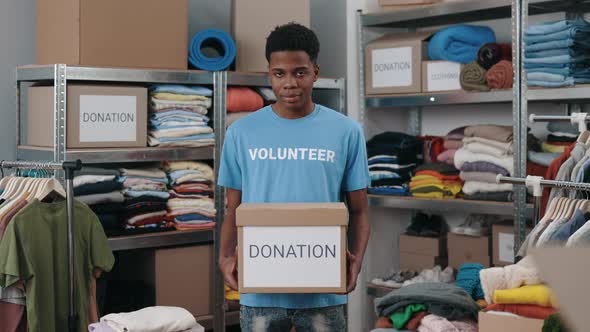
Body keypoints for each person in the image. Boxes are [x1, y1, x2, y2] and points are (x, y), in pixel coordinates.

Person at [218, 22, 370, 332]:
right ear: (269, 75)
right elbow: (233, 208)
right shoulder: (240, 133)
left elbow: (359, 210)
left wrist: (356, 262)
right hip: (260, 291)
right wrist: (224, 257)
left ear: (315, 71)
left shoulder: (346, 132)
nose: (290, 83)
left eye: (300, 72)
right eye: (279, 74)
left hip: (323, 291)